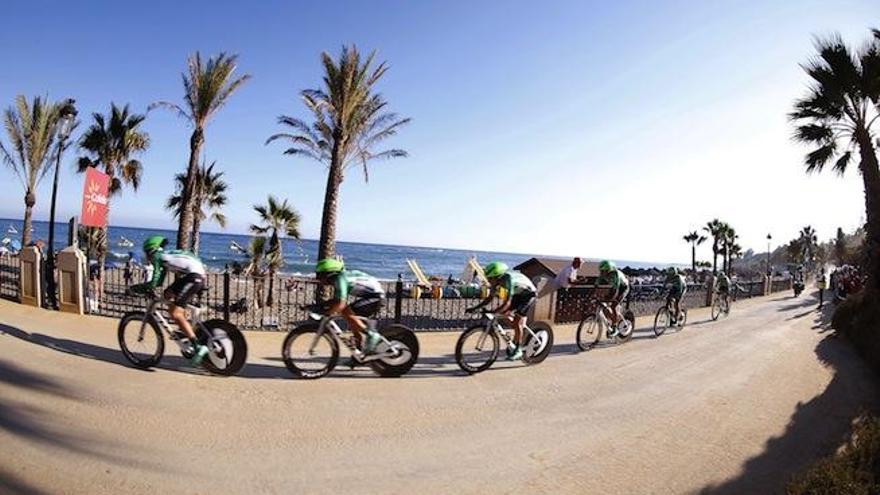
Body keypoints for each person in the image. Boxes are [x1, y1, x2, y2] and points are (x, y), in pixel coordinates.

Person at [130, 236, 209, 365]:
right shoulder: (165, 256)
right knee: (167, 294)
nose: (147, 257)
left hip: (193, 277)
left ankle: (197, 346)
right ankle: (184, 324)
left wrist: (136, 288)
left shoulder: (157, 256)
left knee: (175, 313)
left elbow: (155, 281)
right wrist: (151, 288)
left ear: (150, 250)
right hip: (194, 275)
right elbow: (160, 281)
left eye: (146, 253)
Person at [314, 258, 386, 360]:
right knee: (348, 314)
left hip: (376, 297)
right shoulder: (339, 279)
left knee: (346, 311)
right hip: (372, 296)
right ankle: (358, 351)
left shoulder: (340, 279)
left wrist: (326, 313)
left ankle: (371, 335)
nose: (319, 279)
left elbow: (340, 304)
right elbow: (336, 301)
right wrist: (319, 306)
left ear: (330, 273)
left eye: (321, 275)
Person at [467, 261, 537, 360]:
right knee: (504, 315)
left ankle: (518, 349)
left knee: (517, 321)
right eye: (488, 278)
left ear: (498, 277)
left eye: (490, 278)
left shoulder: (509, 279)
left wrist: (494, 312)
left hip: (529, 295)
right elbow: (489, 298)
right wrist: (474, 308)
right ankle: (517, 333)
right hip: (518, 294)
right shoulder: (496, 281)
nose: (488, 280)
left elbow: (507, 302)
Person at [597, 260, 629, 337]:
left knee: (613, 305)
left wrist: (611, 300)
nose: (602, 273)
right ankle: (612, 319)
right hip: (614, 287)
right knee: (605, 305)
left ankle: (614, 327)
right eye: (601, 271)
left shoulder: (616, 274)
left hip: (623, 288)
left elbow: (616, 290)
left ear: (609, 270)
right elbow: (597, 284)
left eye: (604, 271)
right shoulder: (603, 274)